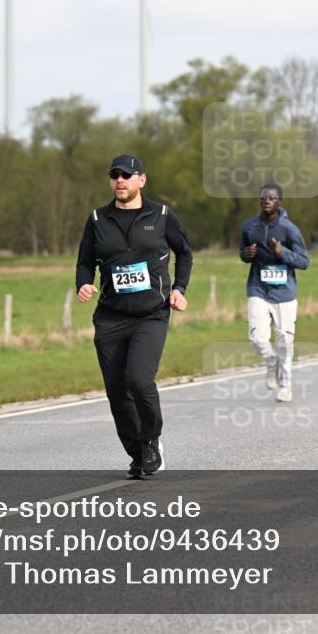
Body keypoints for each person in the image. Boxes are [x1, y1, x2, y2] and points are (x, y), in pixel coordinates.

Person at [75, 154, 192, 477]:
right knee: (116, 390)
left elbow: (184, 252)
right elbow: (85, 260)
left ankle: (152, 441)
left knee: (139, 380)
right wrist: (84, 283)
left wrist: (179, 288)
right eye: (115, 175)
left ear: (141, 179)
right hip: (110, 317)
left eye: (127, 174)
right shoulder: (98, 219)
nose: (120, 180)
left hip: (150, 314)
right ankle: (137, 451)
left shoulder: (163, 215)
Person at [239, 182, 310, 402]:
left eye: (271, 198)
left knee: (284, 342)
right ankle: (271, 362)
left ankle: (286, 385)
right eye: (263, 198)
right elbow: (242, 253)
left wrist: (283, 252)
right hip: (258, 289)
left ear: (279, 201)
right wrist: (246, 254)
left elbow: (304, 261)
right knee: (258, 338)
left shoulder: (290, 229)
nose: (266, 201)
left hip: (285, 294)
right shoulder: (249, 227)